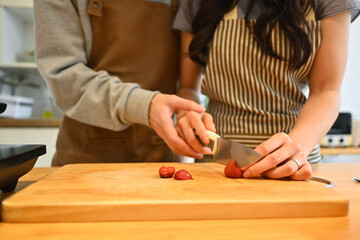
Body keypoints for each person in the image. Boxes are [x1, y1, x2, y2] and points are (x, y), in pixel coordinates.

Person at [173, 0, 360, 180]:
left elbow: (326, 91)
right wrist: (188, 115)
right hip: (215, 166)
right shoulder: (196, 2)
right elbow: (188, 88)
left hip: (292, 166)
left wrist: (294, 149)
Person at [34, 0, 209, 166]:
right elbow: (63, 76)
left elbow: (188, 86)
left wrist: (188, 115)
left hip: (161, 156)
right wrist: (146, 106)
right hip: (85, 158)